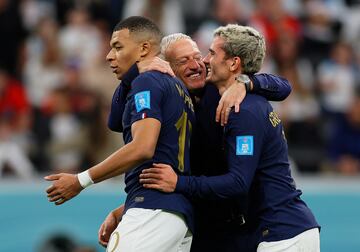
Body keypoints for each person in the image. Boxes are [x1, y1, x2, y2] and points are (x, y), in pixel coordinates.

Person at [99, 32, 292, 252]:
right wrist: (134, 75)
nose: (196, 65)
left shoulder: (220, 91)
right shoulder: (168, 106)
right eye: (183, 61)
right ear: (166, 68)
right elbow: (115, 121)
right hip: (201, 219)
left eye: (197, 57)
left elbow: (284, 86)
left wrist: (248, 83)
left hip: (237, 219)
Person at [139, 25, 320, 251]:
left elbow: (238, 182)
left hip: (281, 232)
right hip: (257, 231)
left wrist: (246, 82)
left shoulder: (242, 109)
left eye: (210, 53)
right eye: (184, 61)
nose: (203, 61)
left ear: (234, 63)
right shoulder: (203, 103)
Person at [45, 16, 195, 252]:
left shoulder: (148, 81)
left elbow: (143, 147)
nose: (108, 55)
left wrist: (80, 180)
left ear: (144, 48)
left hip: (151, 212)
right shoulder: (175, 86)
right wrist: (131, 77)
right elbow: (114, 122)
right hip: (176, 215)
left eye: (118, 47)